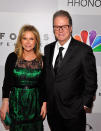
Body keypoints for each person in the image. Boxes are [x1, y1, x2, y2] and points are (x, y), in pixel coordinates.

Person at [44, 10, 97, 131]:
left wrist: (83, 105)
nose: (60, 30)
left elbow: (91, 82)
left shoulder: (84, 50)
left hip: (74, 114)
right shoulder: (48, 49)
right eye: (57, 27)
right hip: (53, 112)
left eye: (64, 26)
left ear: (71, 28)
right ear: (53, 29)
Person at [0, 25, 47, 131]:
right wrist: (5, 103)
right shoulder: (12, 57)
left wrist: (44, 103)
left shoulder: (43, 59)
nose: (28, 42)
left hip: (35, 103)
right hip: (16, 102)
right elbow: (7, 82)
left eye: (31, 39)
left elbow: (43, 85)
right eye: (25, 38)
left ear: (36, 41)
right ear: (20, 40)